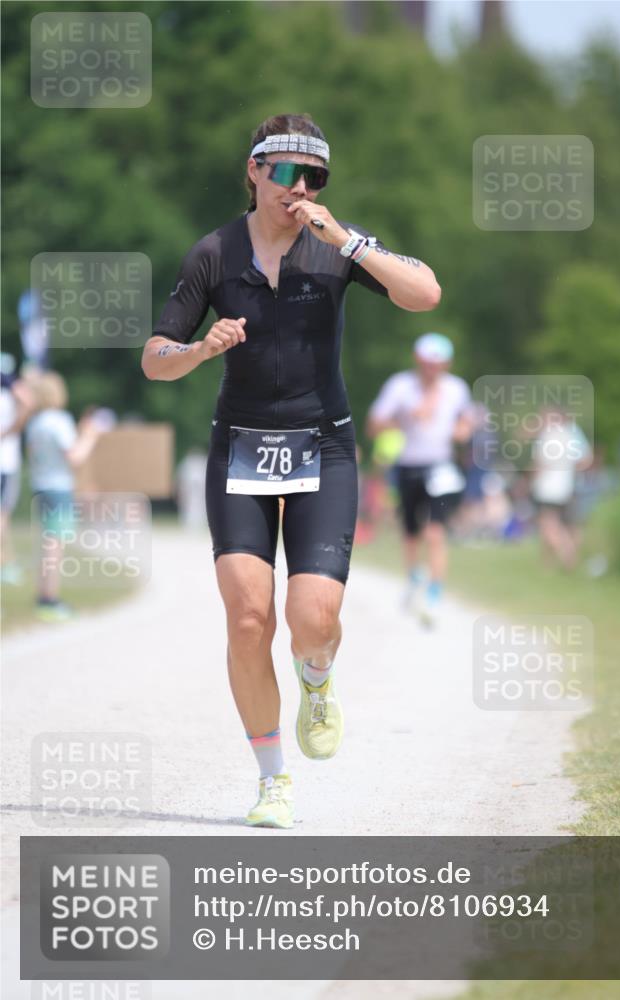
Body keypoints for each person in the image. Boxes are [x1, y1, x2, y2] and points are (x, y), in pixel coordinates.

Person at [141, 113, 441, 829]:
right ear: (253, 170)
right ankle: (273, 780)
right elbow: (155, 360)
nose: (298, 187)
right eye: (283, 171)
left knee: (314, 620)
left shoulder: (334, 250)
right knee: (249, 618)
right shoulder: (214, 253)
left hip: (323, 446)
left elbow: (425, 294)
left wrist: (351, 240)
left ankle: (317, 675)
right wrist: (199, 352)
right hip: (239, 446)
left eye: (313, 176)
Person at [366, 333, 472, 627]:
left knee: (436, 532)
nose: (432, 370)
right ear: (418, 360)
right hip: (408, 466)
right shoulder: (400, 386)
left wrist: (462, 430)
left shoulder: (456, 388)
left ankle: (435, 593)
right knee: (411, 531)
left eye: (438, 364)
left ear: (447, 364)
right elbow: (373, 426)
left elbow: (466, 419)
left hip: (441, 466)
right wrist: (405, 418)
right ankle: (414, 578)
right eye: (427, 364)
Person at [24, 372, 105, 621]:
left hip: (40, 485)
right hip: (58, 487)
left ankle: (44, 595)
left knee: (48, 543)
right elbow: (75, 457)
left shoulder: (35, 422)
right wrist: (91, 436)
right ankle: (49, 599)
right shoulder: (58, 421)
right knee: (54, 547)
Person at [530, 406, 592, 570]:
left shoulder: (547, 435)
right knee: (562, 525)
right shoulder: (570, 435)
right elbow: (584, 458)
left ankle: (567, 554)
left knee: (548, 526)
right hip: (566, 487)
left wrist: (531, 481)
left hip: (547, 487)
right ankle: (560, 558)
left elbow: (539, 463)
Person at [0, 356, 34, 584]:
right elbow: (28, 401)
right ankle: (5, 565)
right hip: (5, 462)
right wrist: (12, 429)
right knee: (2, 516)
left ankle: (8, 561)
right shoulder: (8, 396)